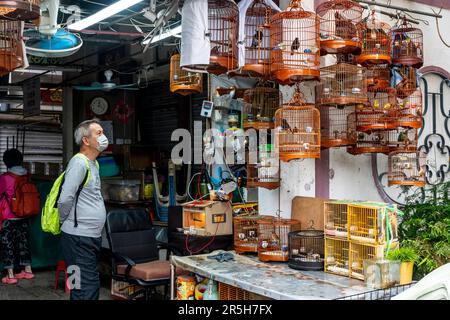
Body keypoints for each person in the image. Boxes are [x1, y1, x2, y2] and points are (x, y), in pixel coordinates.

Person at [58, 119, 108, 300]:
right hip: (78, 238)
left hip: (87, 236)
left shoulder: (93, 163)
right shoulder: (79, 163)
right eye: (99, 133)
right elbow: (65, 199)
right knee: (86, 285)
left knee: (78, 284)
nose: (104, 137)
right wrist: (66, 221)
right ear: (86, 140)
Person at [0, 149, 34, 284]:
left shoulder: (5, 178)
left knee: (8, 245)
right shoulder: (27, 176)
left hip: (8, 218)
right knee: (23, 243)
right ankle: (28, 270)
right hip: (24, 216)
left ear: (6, 162)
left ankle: (11, 275)